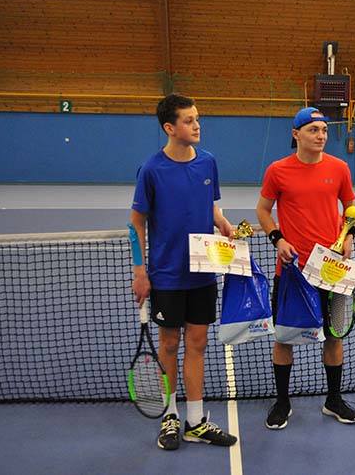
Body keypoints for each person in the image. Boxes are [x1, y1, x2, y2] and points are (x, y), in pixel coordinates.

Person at [130, 94, 238, 450]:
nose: (197, 125)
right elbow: (136, 223)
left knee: (197, 343)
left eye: (197, 119)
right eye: (189, 120)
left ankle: (195, 421)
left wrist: (223, 223)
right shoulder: (151, 170)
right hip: (167, 274)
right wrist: (140, 271)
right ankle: (170, 416)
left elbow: (211, 205)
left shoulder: (208, 162)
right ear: (169, 127)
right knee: (169, 343)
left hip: (203, 272)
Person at [256, 106, 355, 430]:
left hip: (331, 270)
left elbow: (350, 208)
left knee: (334, 336)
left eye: (324, 130)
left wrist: (349, 237)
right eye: (314, 130)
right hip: (292, 270)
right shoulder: (277, 171)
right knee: (284, 337)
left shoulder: (340, 168)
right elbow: (263, 210)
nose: (321, 135)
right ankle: (282, 402)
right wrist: (277, 239)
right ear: (296, 134)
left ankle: (333, 400)